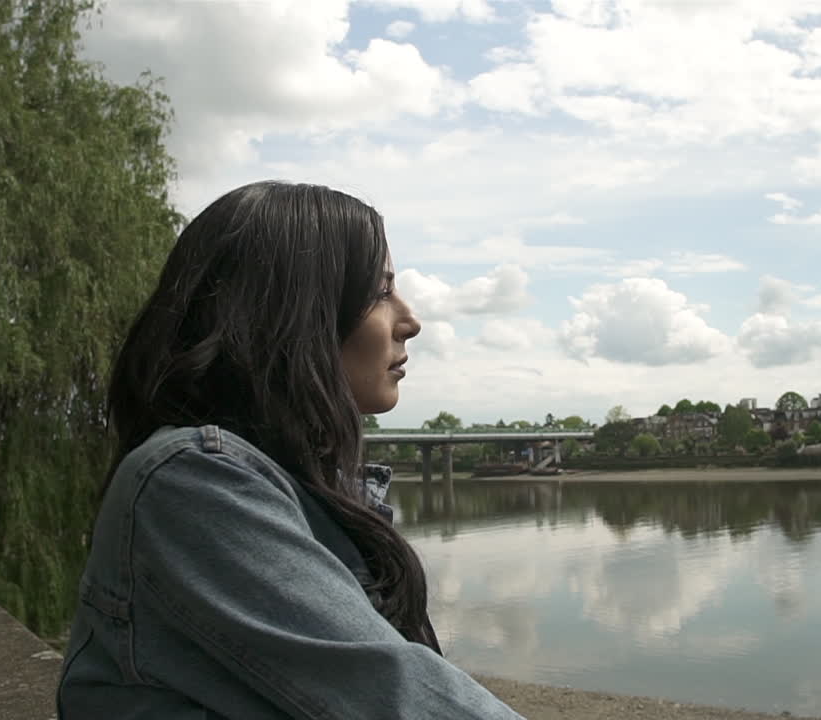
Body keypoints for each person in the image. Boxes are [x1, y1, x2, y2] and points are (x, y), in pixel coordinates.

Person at [57, 182, 524, 719]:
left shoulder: (287, 484)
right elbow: (388, 692)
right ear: (293, 312)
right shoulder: (192, 482)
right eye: (379, 291)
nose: (410, 321)